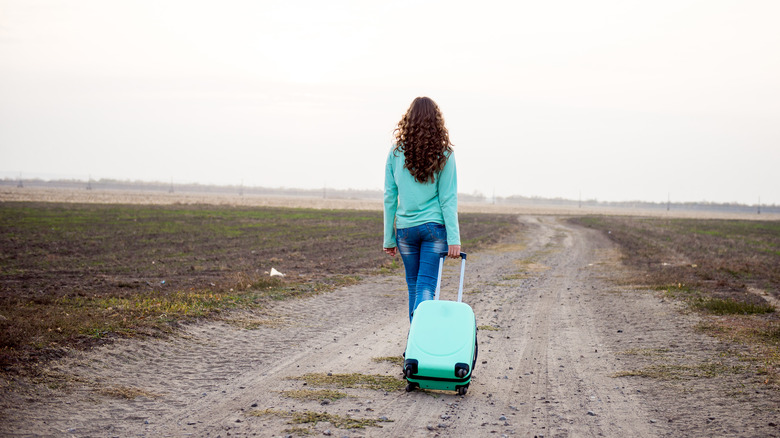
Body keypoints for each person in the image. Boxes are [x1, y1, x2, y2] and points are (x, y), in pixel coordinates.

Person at [383, 96, 461, 322]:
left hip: (405, 231)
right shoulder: (445, 154)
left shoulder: (395, 152)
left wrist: (388, 238)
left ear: (408, 120)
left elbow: (390, 197)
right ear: (437, 122)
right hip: (434, 230)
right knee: (426, 287)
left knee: (415, 286)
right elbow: (448, 199)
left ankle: (414, 344)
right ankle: (420, 340)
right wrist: (454, 238)